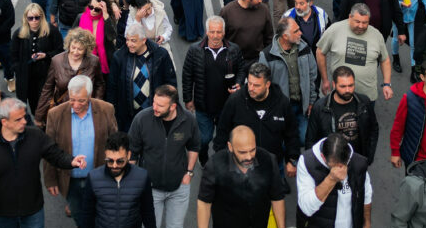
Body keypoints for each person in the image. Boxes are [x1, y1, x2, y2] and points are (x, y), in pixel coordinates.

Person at [0, 97, 88, 228]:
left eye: (25, 116)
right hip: (3, 212)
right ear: (4, 122)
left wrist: (72, 161)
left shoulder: (35, 136)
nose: (25, 121)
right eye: (18, 119)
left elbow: (55, 154)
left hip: (33, 209)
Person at [43, 75, 117, 228]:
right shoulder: (55, 115)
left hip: (99, 176)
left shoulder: (106, 110)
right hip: (71, 178)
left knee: (100, 211)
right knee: (78, 212)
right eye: (72, 100)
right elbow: (49, 150)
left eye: (81, 101)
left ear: (90, 96)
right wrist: (50, 180)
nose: (75, 105)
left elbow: (115, 143)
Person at [128, 85, 200, 228]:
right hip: (150, 187)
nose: (154, 107)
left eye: (160, 105)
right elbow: (132, 152)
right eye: (154, 102)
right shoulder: (142, 119)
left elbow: (194, 147)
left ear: (173, 106)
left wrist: (189, 173)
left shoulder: (188, 120)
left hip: (179, 187)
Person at [197, 124, 288, 228]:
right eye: (242, 152)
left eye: (252, 150)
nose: (249, 156)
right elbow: (204, 203)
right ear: (230, 147)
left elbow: (277, 197)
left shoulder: (268, 160)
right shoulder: (215, 164)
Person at [182, 16, 245, 164]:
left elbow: (242, 69)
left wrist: (238, 83)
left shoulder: (234, 50)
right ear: (206, 32)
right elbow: (187, 75)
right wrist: (187, 99)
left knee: (223, 140)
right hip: (203, 105)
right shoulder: (195, 50)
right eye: (212, 32)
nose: (215, 36)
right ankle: (203, 156)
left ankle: (220, 165)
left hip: (227, 105)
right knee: (204, 139)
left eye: (218, 32)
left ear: (223, 33)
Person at [296, 132, 372, 228]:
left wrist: (367, 223)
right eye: (334, 166)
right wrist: (331, 179)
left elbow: (366, 195)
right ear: (322, 156)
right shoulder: (307, 162)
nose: (340, 170)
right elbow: (306, 207)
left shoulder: (358, 163)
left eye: (343, 165)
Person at [260, 17, 319, 146]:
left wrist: (311, 101)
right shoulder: (267, 55)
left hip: (302, 106)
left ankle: (296, 162)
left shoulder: (304, 48)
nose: (301, 33)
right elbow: (263, 85)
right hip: (281, 109)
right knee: (282, 143)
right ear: (285, 36)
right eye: (296, 31)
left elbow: (313, 75)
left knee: (304, 139)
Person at [317, 3, 393, 103]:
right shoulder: (335, 29)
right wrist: (325, 80)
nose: (361, 26)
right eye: (357, 21)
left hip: (366, 96)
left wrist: (387, 84)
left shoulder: (376, 35)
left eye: (365, 22)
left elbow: (385, 60)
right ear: (350, 17)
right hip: (339, 94)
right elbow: (320, 52)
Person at [109, 24, 178, 130]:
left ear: (143, 40)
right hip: (128, 117)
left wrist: (170, 107)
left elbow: (170, 82)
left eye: (133, 40)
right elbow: (112, 87)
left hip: (155, 114)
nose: (129, 44)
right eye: (127, 40)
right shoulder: (119, 57)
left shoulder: (160, 55)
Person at [307, 66, 379, 163]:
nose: (347, 90)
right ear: (334, 84)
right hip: (332, 164)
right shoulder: (320, 107)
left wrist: (368, 157)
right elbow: (311, 139)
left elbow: (373, 129)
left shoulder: (364, 102)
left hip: (357, 162)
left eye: (351, 85)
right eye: (343, 86)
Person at [36, 28, 105, 125]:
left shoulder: (94, 61)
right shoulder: (57, 61)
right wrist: (39, 116)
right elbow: (47, 89)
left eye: (80, 49)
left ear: (86, 49)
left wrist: (96, 103)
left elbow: (99, 84)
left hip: (85, 109)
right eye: (73, 47)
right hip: (63, 110)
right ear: (69, 45)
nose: (75, 52)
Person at [11, 3, 63, 112]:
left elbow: (60, 51)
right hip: (28, 76)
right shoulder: (18, 34)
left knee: (47, 103)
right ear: (26, 18)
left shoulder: (51, 31)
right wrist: (19, 70)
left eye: (37, 17)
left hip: (47, 74)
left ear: (41, 17)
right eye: (30, 18)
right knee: (33, 104)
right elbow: (13, 56)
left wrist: (46, 55)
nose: (34, 20)